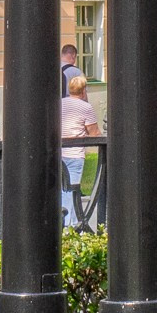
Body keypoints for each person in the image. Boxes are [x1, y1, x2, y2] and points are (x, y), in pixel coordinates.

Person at [60, 75, 101, 226]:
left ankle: (62, 221)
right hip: (75, 154)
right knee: (72, 190)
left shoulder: (60, 104)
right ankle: (70, 226)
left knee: (61, 189)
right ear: (84, 91)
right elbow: (94, 133)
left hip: (59, 153)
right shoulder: (86, 107)